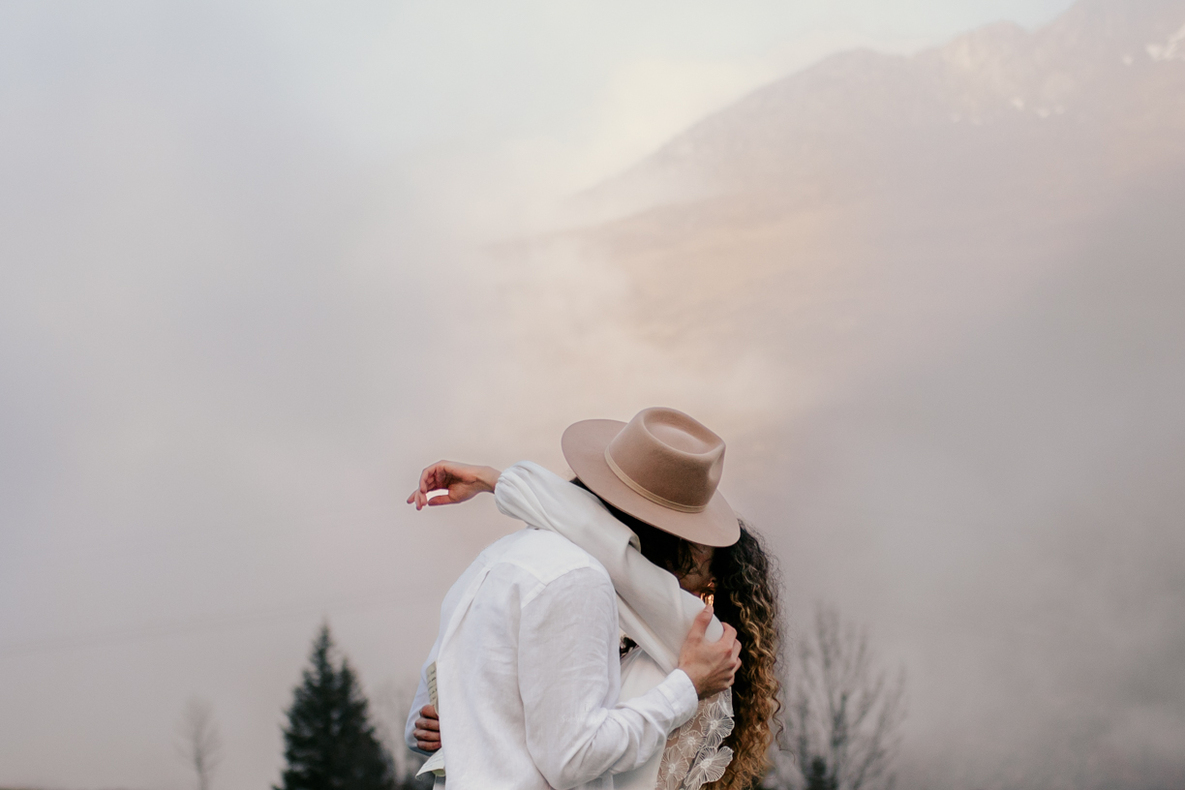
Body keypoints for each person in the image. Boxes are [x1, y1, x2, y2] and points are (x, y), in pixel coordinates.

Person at [407, 407, 781, 790]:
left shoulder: (492, 560)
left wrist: (501, 482)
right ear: (671, 537)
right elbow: (573, 759)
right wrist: (685, 687)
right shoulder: (581, 579)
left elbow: (422, 716)